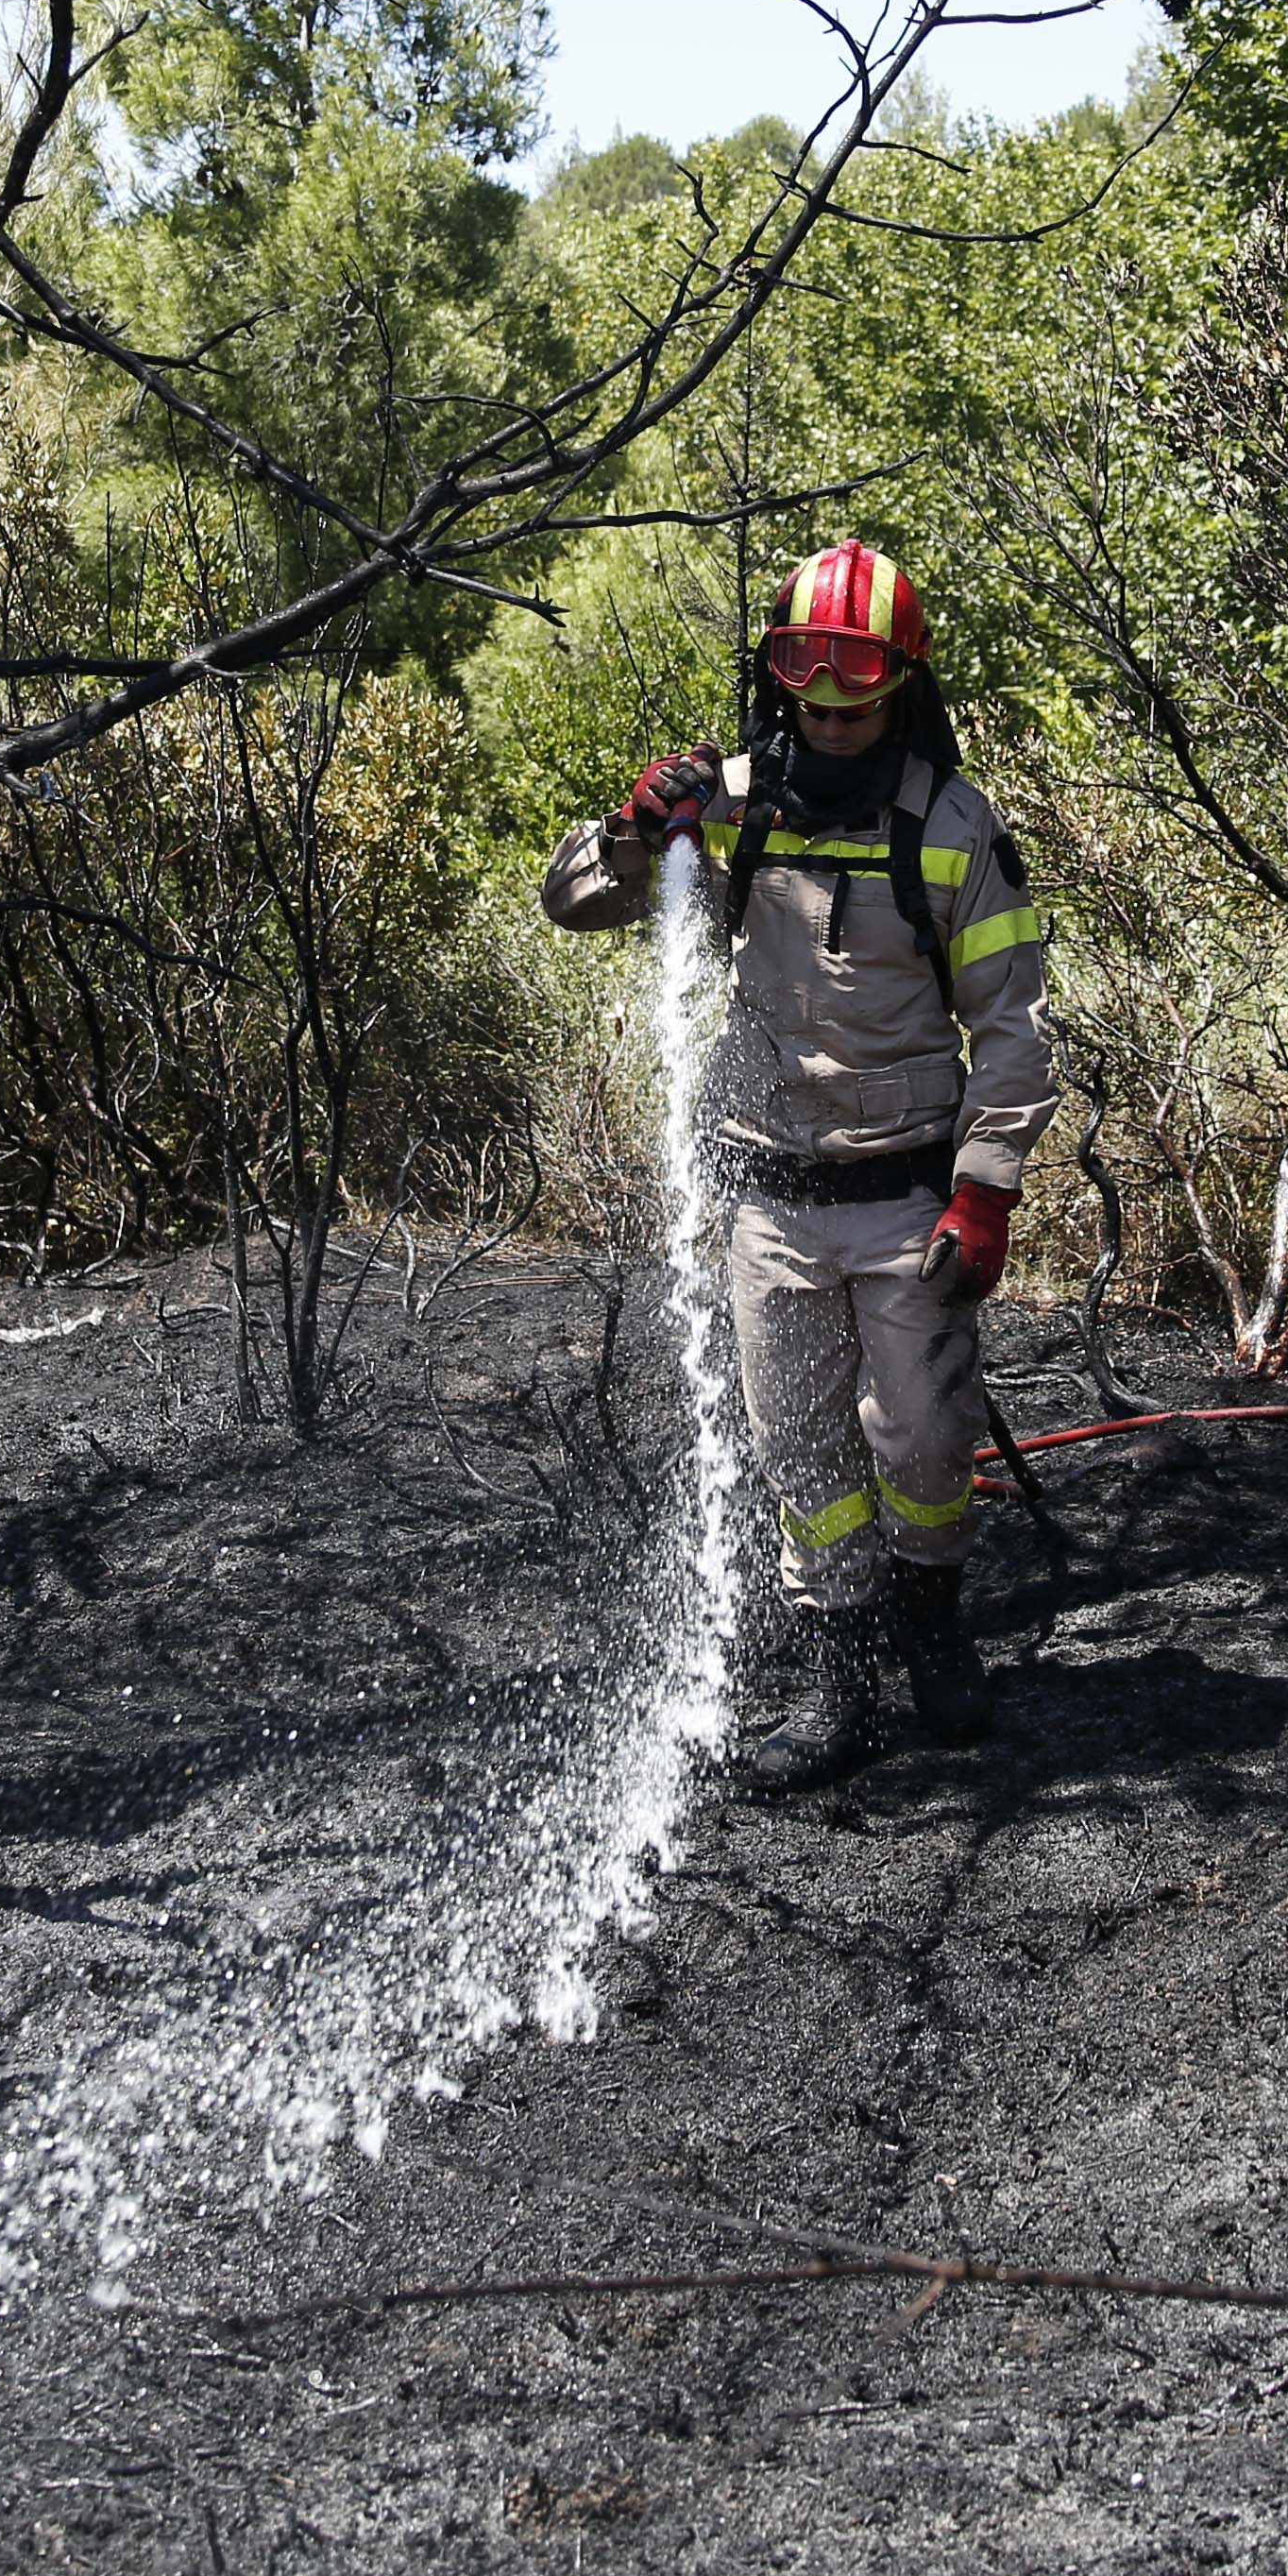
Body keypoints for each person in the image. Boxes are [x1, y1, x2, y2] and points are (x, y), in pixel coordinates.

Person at [539, 538, 1055, 1789]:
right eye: (806, 673)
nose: (830, 704)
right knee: (803, 1458)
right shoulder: (729, 795)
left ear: (900, 683)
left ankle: (931, 1626)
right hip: (773, 1196)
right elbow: (573, 901)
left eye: (857, 678)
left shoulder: (950, 825)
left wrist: (986, 1191)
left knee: (927, 1446)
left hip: (909, 1195)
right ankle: (842, 1686)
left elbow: (1014, 1024)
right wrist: (631, 831)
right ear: (777, 675)